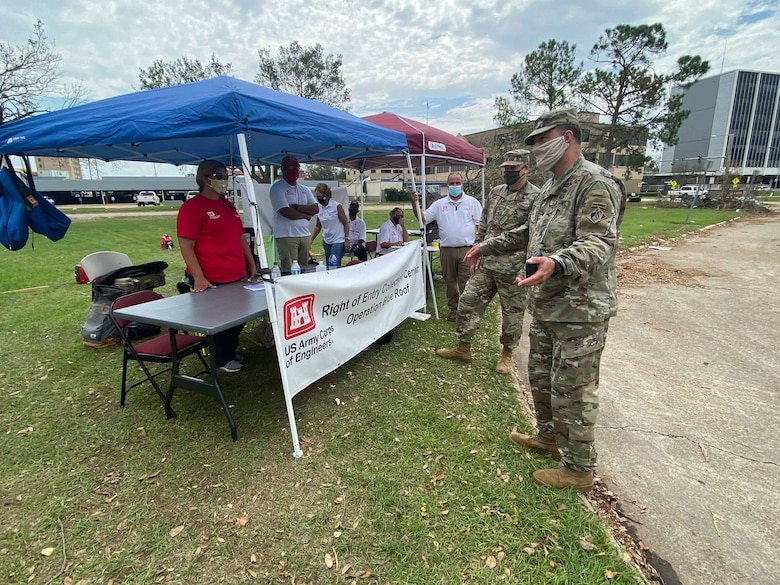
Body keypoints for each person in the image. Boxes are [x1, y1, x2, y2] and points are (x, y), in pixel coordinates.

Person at [511, 108, 625, 492]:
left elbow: (599, 241)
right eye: (535, 141)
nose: (538, 147)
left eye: (545, 138)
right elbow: (531, 231)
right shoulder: (550, 186)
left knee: (574, 390)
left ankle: (577, 470)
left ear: (569, 136)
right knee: (541, 378)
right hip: (547, 306)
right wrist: (487, 244)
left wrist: (558, 263)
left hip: (580, 311)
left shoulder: (595, 183)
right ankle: (546, 437)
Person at [437, 150, 539, 374]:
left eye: (513, 170)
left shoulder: (536, 197)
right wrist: (478, 250)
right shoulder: (496, 192)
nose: (508, 174)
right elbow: (484, 224)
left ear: (526, 169)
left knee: (512, 314)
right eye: (506, 170)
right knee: (467, 302)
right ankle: (463, 348)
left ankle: (507, 355)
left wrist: (482, 247)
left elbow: (525, 233)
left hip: (514, 267)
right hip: (488, 264)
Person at [177, 160, 258, 373]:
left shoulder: (228, 206)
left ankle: (227, 353)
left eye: (225, 175)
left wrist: (251, 263)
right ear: (205, 179)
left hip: (236, 273)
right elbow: (186, 245)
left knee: (239, 318)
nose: (224, 180)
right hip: (212, 278)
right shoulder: (192, 208)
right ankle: (221, 358)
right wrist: (199, 277)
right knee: (221, 321)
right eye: (219, 175)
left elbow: (240, 238)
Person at [411, 172, 482, 321]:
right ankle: (453, 310)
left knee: (466, 282)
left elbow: (480, 224)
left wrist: (479, 248)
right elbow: (423, 219)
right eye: (452, 183)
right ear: (447, 185)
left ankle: (466, 311)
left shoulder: (472, 203)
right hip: (447, 250)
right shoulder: (439, 205)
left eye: (457, 183)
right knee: (450, 282)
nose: (455, 186)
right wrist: (414, 203)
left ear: (462, 184)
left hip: (467, 249)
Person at [269, 155, 319, 271]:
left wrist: (296, 206)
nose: (294, 170)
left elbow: (316, 208)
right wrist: (306, 215)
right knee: (289, 269)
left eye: (295, 167)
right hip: (287, 235)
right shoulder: (277, 188)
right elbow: (285, 212)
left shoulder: (304, 189)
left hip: (304, 234)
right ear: (283, 169)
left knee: (304, 269)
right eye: (290, 167)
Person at [310, 183, 349, 267]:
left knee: (334, 263)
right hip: (327, 240)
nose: (318, 199)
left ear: (326, 195)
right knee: (328, 265)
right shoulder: (319, 208)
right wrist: (311, 239)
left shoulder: (336, 206)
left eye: (320, 197)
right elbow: (318, 226)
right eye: (317, 197)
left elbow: (345, 223)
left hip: (338, 239)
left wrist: (347, 239)